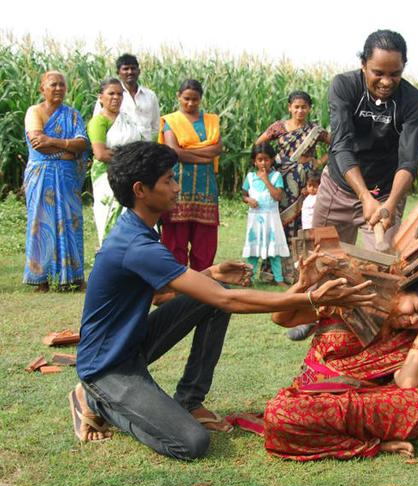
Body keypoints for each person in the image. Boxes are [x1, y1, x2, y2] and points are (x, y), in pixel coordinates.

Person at [70, 141, 374, 460]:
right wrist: (310, 297)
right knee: (190, 443)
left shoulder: (139, 230)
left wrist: (211, 272)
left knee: (216, 294)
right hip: (107, 365)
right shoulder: (136, 244)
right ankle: (93, 398)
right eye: (168, 181)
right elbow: (226, 301)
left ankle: (190, 399)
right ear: (140, 190)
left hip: (131, 343)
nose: (176, 188)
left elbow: (162, 295)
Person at [240, 270, 418, 461]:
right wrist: (302, 285)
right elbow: (282, 318)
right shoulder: (352, 301)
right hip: (314, 401)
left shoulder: (406, 337)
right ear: (401, 290)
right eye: (414, 309)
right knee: (279, 413)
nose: (412, 321)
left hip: (360, 404)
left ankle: (329, 433)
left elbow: (409, 384)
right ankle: (370, 444)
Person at [313, 29, 418, 249]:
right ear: (363, 64)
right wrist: (364, 196)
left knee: (380, 272)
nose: (386, 82)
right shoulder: (345, 86)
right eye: (378, 73)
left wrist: (390, 205)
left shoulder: (414, 101)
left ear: (404, 66)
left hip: (386, 193)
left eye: (395, 73)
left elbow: (409, 160)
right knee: (323, 262)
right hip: (339, 188)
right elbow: (341, 144)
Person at [23, 71, 88, 291]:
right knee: (41, 223)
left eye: (62, 84)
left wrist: (52, 140)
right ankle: (40, 280)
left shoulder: (72, 115)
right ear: (42, 88)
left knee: (72, 223)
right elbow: (36, 144)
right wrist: (65, 152)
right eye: (53, 85)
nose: (58, 88)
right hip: (41, 176)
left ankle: (74, 277)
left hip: (68, 179)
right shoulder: (34, 112)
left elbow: (82, 144)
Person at [255, 90, 330, 282]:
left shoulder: (315, 131)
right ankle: (271, 272)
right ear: (289, 108)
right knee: (278, 222)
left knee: (300, 222)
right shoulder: (278, 127)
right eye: (296, 107)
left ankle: (296, 272)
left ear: (309, 108)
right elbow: (259, 145)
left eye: (304, 107)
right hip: (281, 180)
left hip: (305, 182)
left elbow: (337, 144)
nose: (300, 111)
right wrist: (271, 163)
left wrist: (318, 162)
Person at [159, 79, 222, 271]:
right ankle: (176, 282)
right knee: (175, 240)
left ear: (200, 99)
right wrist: (205, 156)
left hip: (206, 189)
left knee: (205, 242)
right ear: (179, 97)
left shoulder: (211, 121)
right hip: (178, 188)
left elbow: (217, 148)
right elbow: (174, 151)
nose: (190, 103)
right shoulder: (171, 121)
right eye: (186, 99)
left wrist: (189, 152)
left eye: (195, 99)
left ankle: (203, 282)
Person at [88, 78, 145, 244]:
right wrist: (130, 158)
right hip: (108, 177)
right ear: (100, 97)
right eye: (111, 93)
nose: (116, 97)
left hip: (133, 176)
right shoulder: (99, 121)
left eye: (119, 94)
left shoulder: (128, 119)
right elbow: (100, 154)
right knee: (110, 216)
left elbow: (140, 146)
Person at [241, 143, 290, 286]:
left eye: (266, 159)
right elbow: (243, 195)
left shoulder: (276, 177)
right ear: (254, 161)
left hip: (271, 220)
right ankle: (248, 277)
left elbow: (278, 197)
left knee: (274, 250)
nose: (263, 163)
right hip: (255, 220)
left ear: (272, 160)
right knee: (254, 250)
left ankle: (278, 279)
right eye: (260, 160)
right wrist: (248, 200)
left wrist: (265, 180)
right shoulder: (250, 177)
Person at [93, 53, 160, 141]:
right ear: (118, 72)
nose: (130, 72)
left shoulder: (150, 96)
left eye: (133, 68)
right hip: (120, 148)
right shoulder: (109, 96)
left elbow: (156, 126)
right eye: (125, 69)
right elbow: (98, 122)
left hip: (147, 148)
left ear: (139, 71)